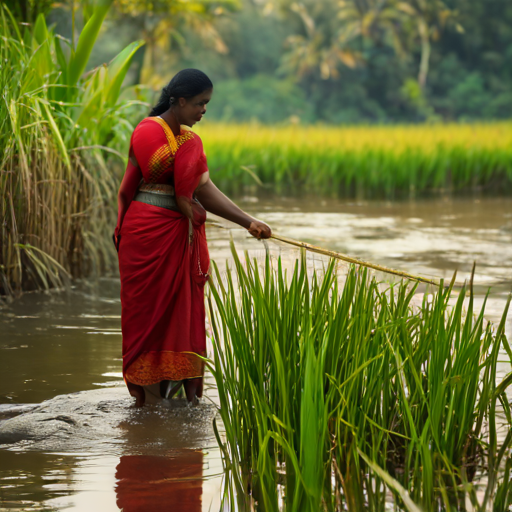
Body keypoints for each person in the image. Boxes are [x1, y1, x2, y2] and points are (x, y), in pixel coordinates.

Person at [114, 69, 271, 407]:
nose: (204, 111)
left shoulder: (188, 141)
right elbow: (165, 179)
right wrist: (187, 190)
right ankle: (148, 396)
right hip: (147, 236)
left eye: (207, 104)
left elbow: (204, 189)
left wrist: (248, 222)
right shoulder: (148, 130)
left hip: (179, 237)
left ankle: (180, 394)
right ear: (180, 101)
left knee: (184, 313)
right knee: (147, 315)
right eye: (200, 104)